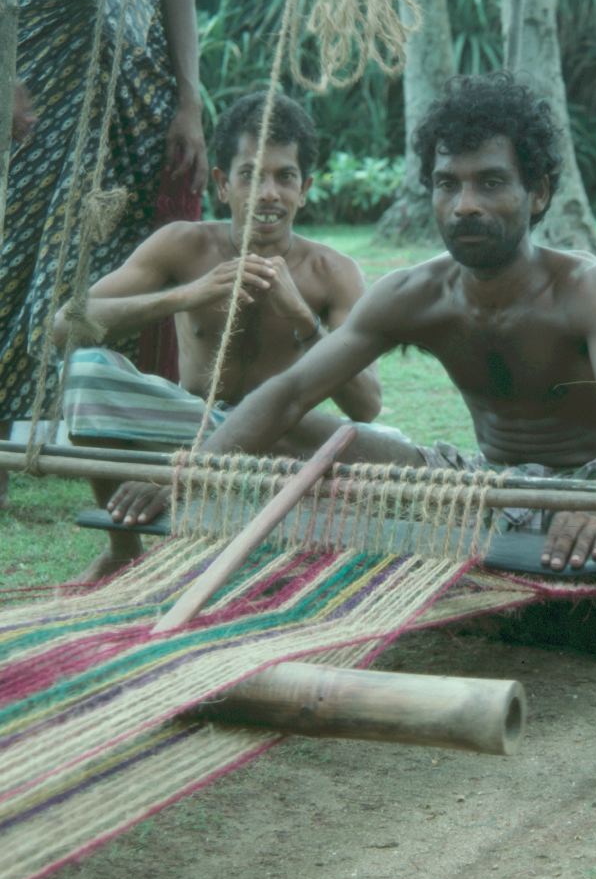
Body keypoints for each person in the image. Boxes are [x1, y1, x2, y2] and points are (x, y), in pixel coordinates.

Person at [109, 72, 596, 760]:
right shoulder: (416, 293)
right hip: (484, 491)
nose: (464, 205)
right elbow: (292, 391)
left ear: (538, 192)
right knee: (315, 430)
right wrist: (186, 472)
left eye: (490, 183)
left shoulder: (587, 288)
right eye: (447, 184)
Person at [54, 91, 382, 580]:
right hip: (189, 432)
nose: (268, 193)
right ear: (224, 185)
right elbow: (65, 325)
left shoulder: (333, 272)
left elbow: (367, 406)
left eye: (284, 177)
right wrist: (186, 296)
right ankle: (123, 550)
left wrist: (300, 317)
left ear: (306, 188)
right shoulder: (182, 245)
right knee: (83, 373)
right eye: (251, 174)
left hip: (280, 442)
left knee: (379, 446)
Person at [0, 0, 209, 504]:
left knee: (126, 248)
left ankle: (122, 437)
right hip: (38, 66)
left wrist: (189, 98)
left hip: (139, 70)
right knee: (14, 247)